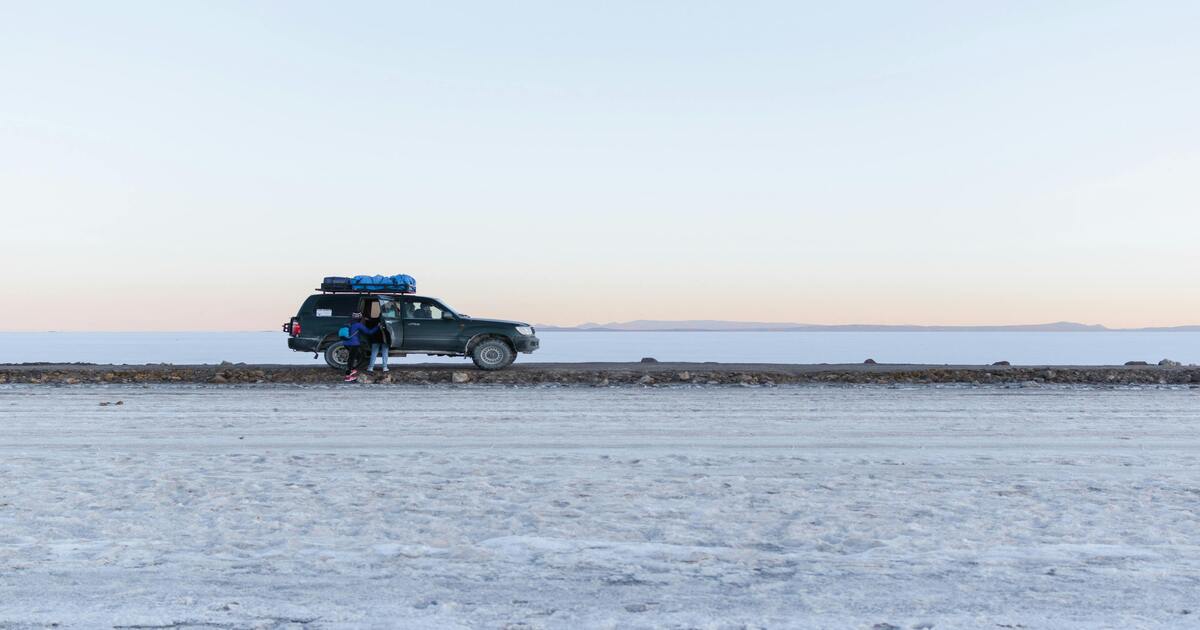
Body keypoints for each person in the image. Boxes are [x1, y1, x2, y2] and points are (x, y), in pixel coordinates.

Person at [342, 312, 379, 382]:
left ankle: (352, 370)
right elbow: (369, 332)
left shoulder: (347, 323)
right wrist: (377, 327)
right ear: (359, 318)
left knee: (353, 357)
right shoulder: (358, 325)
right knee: (351, 359)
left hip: (345, 343)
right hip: (354, 344)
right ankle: (348, 376)